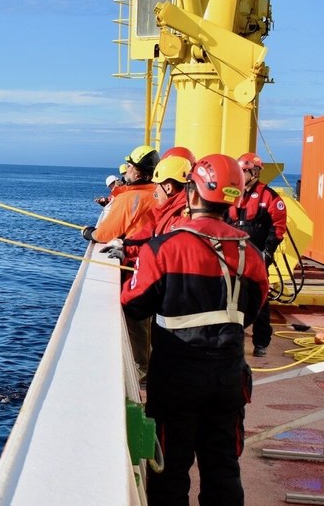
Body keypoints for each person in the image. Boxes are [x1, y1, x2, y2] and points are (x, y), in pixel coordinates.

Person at [121, 154, 269, 506]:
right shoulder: (251, 253)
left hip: (176, 378)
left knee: (170, 472)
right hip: (228, 377)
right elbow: (253, 309)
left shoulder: (165, 249)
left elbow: (134, 302)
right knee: (222, 470)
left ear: (193, 193)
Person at [85, 144, 160, 378]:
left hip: (135, 263)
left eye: (130, 166)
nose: (125, 169)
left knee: (136, 319)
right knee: (150, 320)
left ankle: (142, 371)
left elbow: (104, 233)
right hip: (152, 261)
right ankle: (148, 366)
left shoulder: (131, 199)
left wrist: (88, 233)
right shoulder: (156, 193)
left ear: (139, 173)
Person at [228, 152, 288, 357]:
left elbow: (278, 228)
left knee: (260, 297)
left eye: (243, 171)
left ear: (253, 172)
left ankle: (261, 341)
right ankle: (234, 335)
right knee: (232, 296)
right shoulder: (233, 195)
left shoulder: (269, 196)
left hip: (258, 254)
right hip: (234, 255)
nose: (240, 175)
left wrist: (267, 253)